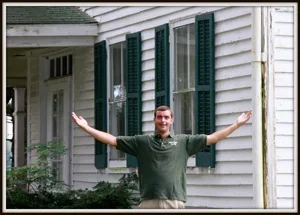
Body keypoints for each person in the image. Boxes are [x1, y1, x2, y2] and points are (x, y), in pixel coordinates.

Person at [72, 106, 252, 209]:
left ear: (172, 120)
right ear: (154, 120)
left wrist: (236, 125)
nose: (163, 121)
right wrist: (87, 128)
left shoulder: (184, 142)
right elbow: (112, 140)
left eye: (166, 117)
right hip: (148, 200)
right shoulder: (142, 142)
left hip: (174, 199)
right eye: (159, 117)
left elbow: (213, 138)